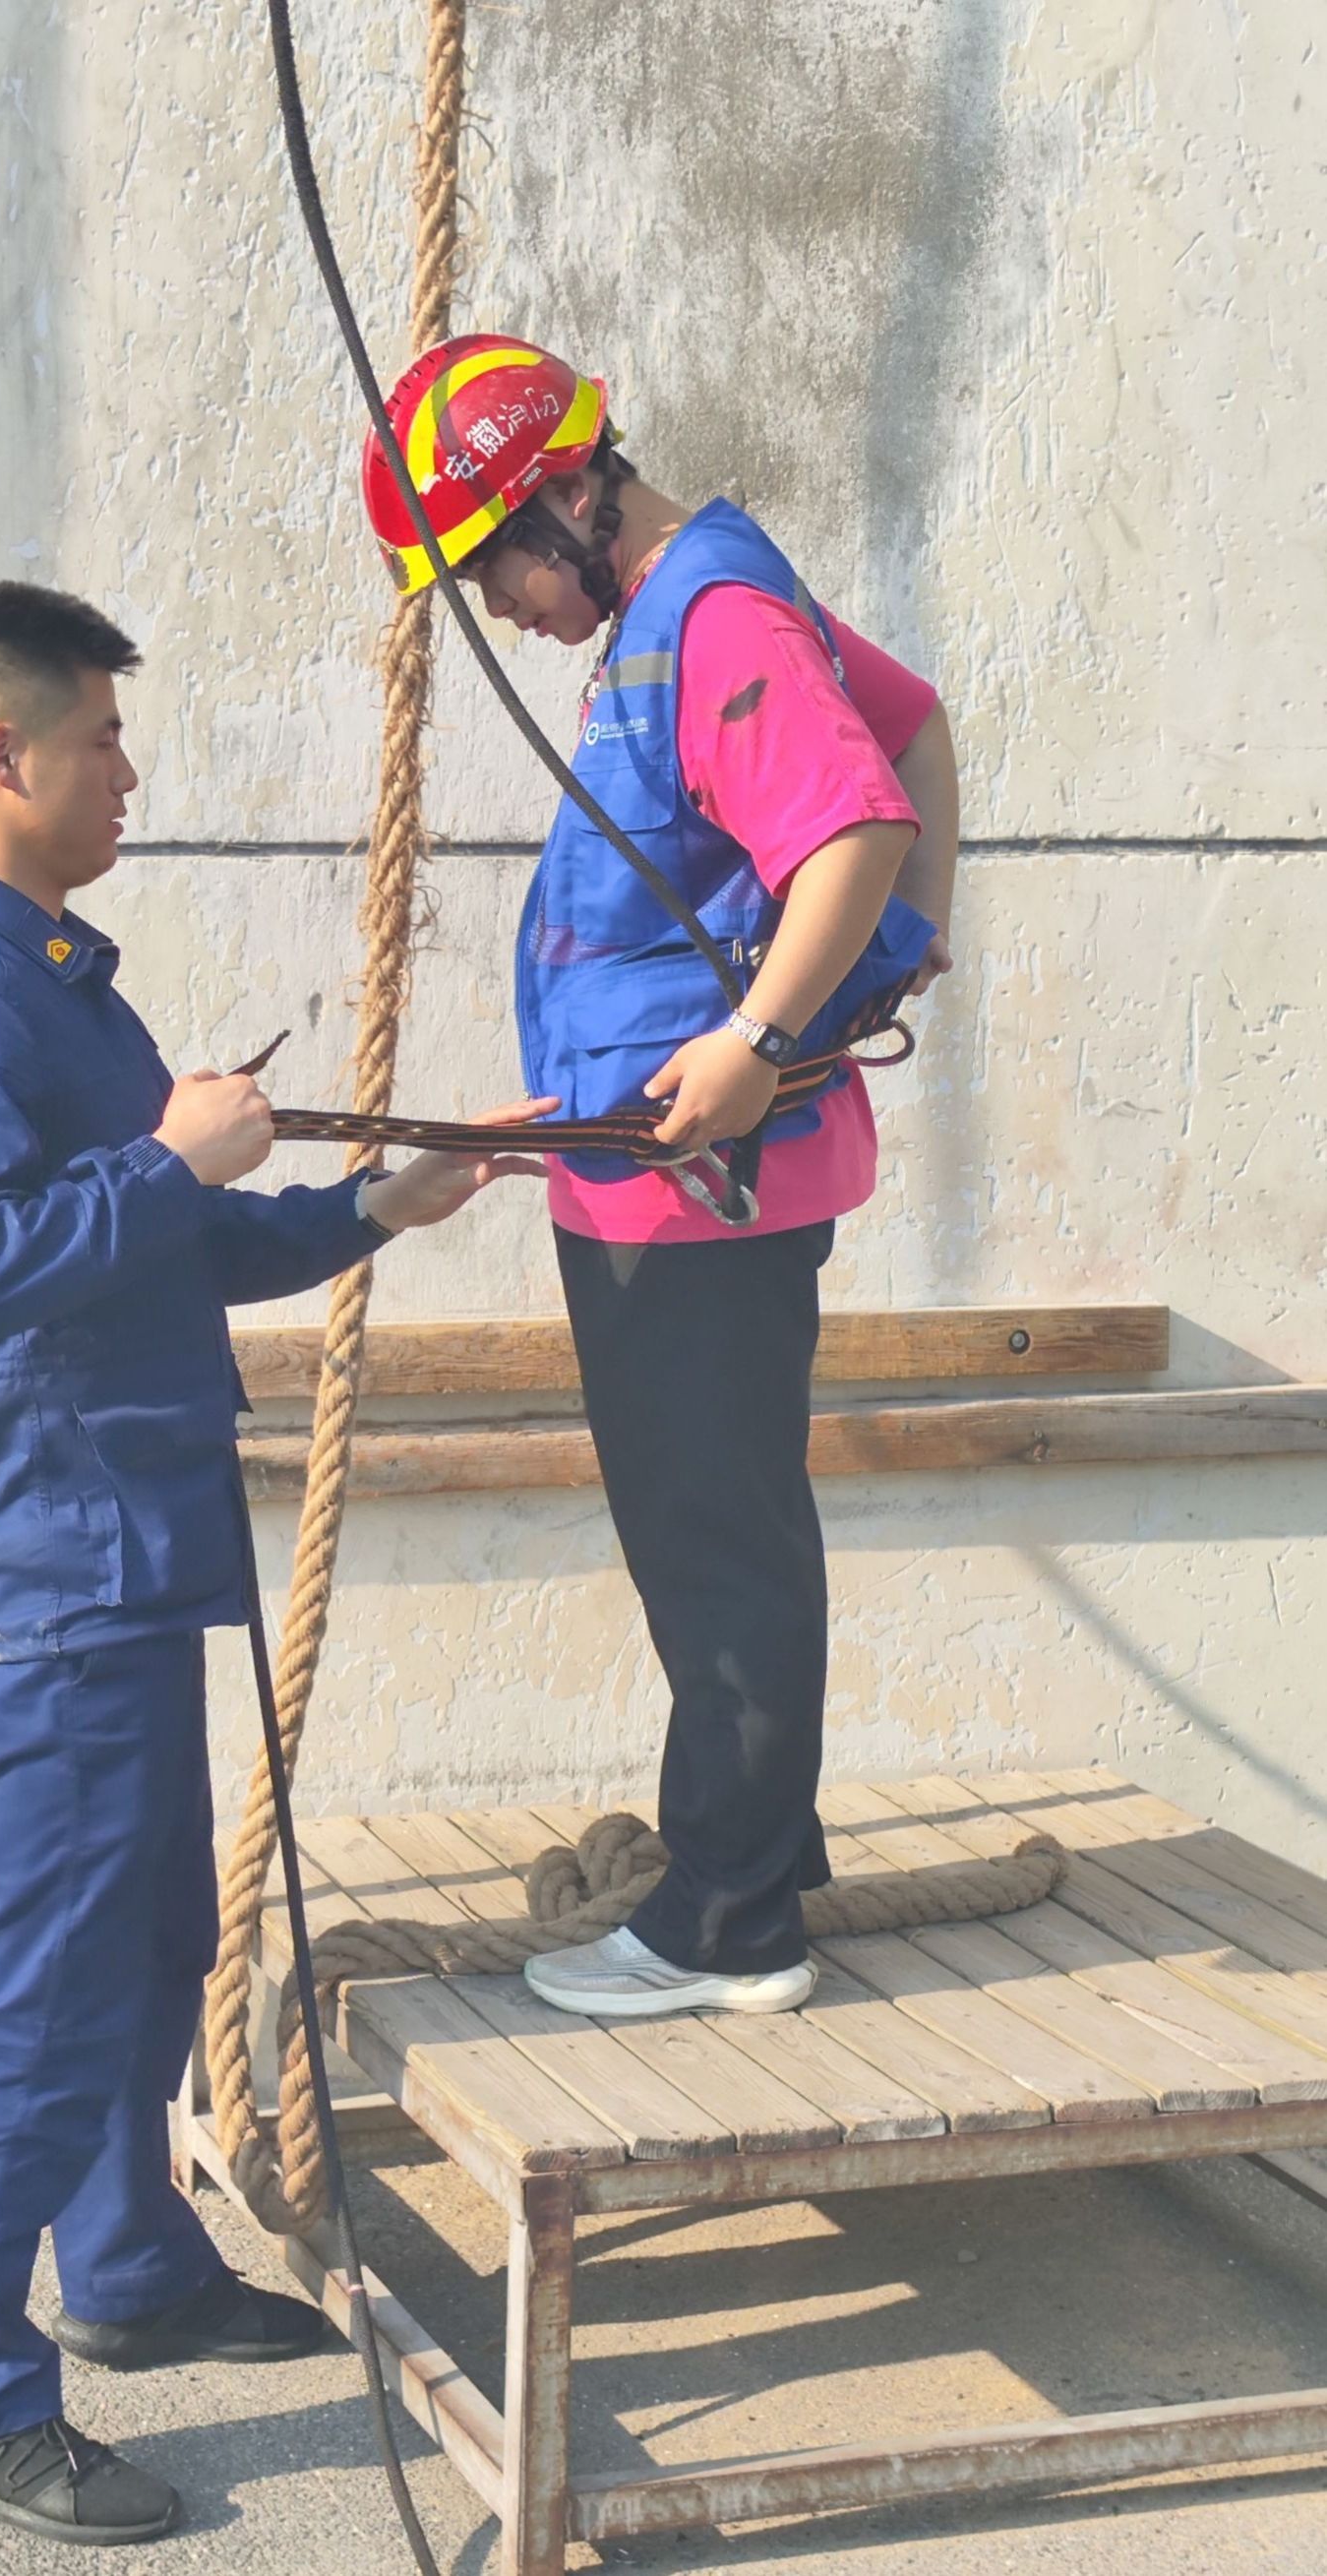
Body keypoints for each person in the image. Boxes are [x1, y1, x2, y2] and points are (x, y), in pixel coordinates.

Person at [0, 579, 546, 2544]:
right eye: (102, 740)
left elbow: (168, 1236)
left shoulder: (60, 988)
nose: (129, 775)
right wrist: (170, 1159)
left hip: (124, 1555)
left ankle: (131, 2266)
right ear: (3, 753)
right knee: (29, 1988)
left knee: (153, 1937)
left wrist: (376, 1201)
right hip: (44, 1572)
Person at [359, 335, 960, 2022]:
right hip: (664, 1172)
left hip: (699, 1185)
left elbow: (855, 824)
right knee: (723, 1521)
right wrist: (900, 948)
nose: (503, 612)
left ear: (566, 493)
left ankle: (726, 1922)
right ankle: (765, 1851)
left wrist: (767, 1034)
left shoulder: (709, 615)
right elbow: (910, 729)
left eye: (494, 569)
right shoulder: (693, 604)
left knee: (712, 1541)